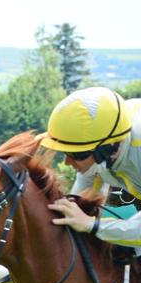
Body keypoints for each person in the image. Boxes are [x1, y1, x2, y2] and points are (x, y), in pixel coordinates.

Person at [43, 87, 141, 244]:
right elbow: (79, 205)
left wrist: (92, 225)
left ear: (108, 149)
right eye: (65, 152)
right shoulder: (101, 146)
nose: (66, 162)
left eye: (75, 154)